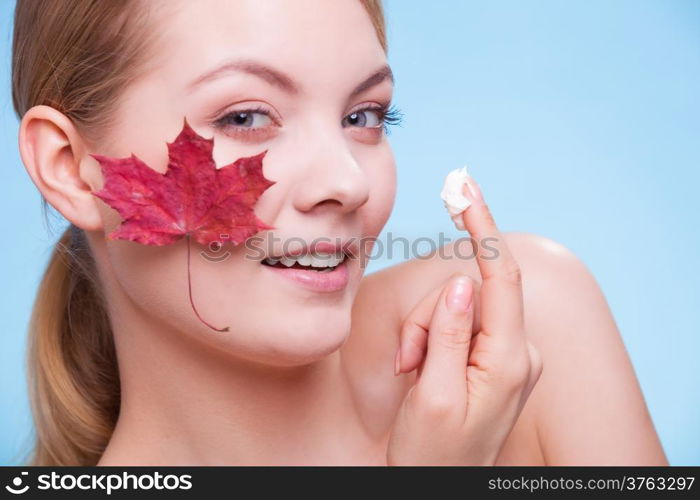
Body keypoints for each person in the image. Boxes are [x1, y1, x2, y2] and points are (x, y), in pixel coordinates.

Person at [11, 0, 667, 466]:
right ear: (70, 169)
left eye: (364, 115)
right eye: (245, 116)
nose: (348, 182)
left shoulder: (522, 332)